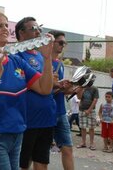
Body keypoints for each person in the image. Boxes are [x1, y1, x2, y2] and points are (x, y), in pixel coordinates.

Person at [0, 11, 54, 170]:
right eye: (0, 26)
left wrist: (47, 59)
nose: (6, 29)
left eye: (7, 25)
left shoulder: (16, 60)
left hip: (16, 134)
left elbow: (44, 88)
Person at [14, 17, 56, 170]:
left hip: (47, 118)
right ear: (21, 33)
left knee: (42, 162)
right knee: (23, 163)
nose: (38, 32)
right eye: (33, 28)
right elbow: (33, 84)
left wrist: (60, 85)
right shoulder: (16, 56)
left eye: (39, 29)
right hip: (28, 120)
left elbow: (48, 85)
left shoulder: (42, 55)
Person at [48, 30, 75, 170]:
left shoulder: (60, 64)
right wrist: (57, 86)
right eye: (60, 42)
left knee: (68, 148)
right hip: (45, 113)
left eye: (64, 43)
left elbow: (58, 90)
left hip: (60, 111)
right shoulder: (42, 62)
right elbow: (41, 89)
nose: (62, 46)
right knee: (38, 153)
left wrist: (68, 88)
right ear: (51, 42)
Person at [75, 82, 99, 150]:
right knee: (83, 127)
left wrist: (89, 110)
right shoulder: (82, 87)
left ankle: (91, 143)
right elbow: (79, 97)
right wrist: (80, 89)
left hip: (91, 110)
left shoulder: (94, 88)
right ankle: (83, 142)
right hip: (82, 110)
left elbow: (95, 100)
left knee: (91, 128)